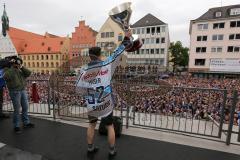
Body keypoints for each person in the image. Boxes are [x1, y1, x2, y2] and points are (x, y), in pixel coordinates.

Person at [76, 30, 140, 157]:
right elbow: (118, 52)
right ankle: (111, 150)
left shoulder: (83, 70)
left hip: (92, 103)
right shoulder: (106, 65)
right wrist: (126, 38)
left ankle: (90, 148)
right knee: (110, 126)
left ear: (89, 56)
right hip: (105, 103)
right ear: (100, 55)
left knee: (91, 125)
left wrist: (89, 94)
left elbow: (79, 89)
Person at [3, 57, 34, 133]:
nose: (17, 64)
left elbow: (29, 73)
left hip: (22, 90)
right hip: (15, 91)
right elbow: (6, 77)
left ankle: (26, 122)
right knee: (17, 109)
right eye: (16, 63)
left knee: (25, 107)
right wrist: (12, 67)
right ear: (12, 64)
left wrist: (22, 67)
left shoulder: (20, 69)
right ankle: (16, 126)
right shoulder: (7, 70)